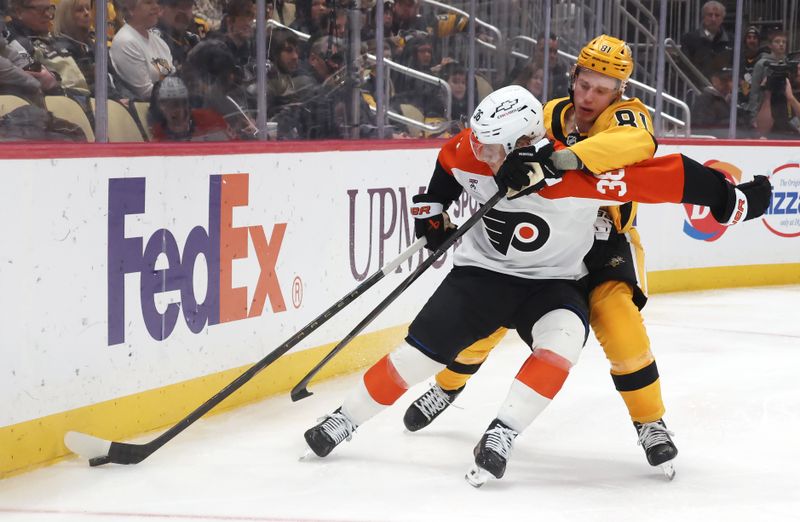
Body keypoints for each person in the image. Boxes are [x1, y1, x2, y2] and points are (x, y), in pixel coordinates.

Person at [302, 83, 772, 486]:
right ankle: (344, 419)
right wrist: (433, 217)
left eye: (492, 145)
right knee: (417, 355)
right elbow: (446, 171)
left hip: (552, 285)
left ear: (526, 140)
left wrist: (732, 202)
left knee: (566, 339)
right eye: (478, 140)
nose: (479, 151)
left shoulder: (580, 174)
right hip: (480, 278)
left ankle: (503, 430)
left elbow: (671, 178)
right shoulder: (471, 148)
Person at [110, 0, 174, 100]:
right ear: (131, 9)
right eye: (148, 2)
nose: (156, 7)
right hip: (142, 110)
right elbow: (145, 93)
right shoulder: (125, 41)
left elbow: (174, 77)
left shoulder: (160, 42)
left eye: (156, 2)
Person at [148, 75, 231, 141]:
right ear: (161, 106)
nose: (181, 110)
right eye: (175, 104)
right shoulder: (158, 137)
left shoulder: (211, 119)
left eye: (184, 102)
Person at [680, 0, 733, 79]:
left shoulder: (732, 40)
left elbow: (738, 67)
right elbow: (685, 68)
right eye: (710, 15)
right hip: (696, 88)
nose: (713, 19)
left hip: (724, 88)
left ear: (722, 19)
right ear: (703, 17)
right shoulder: (689, 39)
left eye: (717, 15)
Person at [153, 0, 199, 72]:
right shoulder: (154, 41)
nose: (182, 12)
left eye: (188, 6)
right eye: (175, 5)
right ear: (160, 9)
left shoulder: (193, 40)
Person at [693, 66, 733, 135]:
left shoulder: (730, 100)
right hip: (712, 141)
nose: (730, 84)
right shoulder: (705, 99)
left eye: (732, 80)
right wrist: (729, 122)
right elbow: (702, 125)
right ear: (715, 80)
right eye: (726, 80)